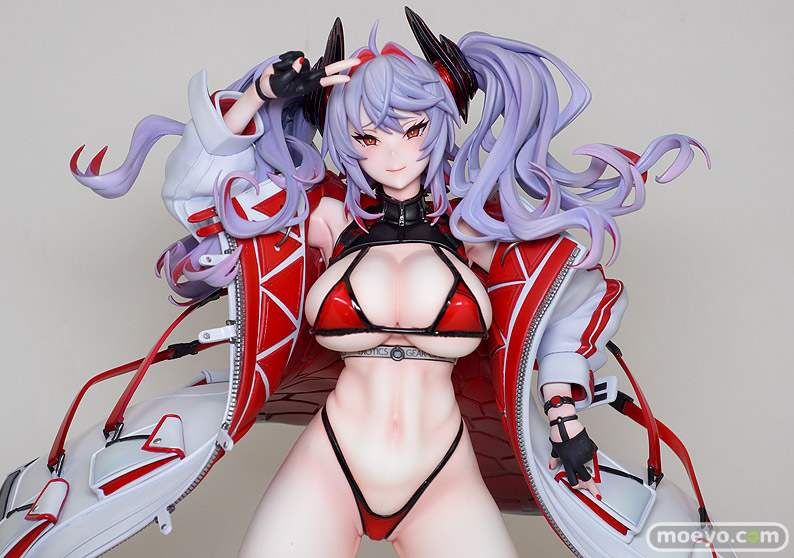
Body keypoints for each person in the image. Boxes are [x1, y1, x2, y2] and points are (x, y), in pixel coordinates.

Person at [71, 11, 705, 558]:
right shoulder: (329, 222)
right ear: (346, 143)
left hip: (445, 474)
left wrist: (562, 415)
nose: (394, 154)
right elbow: (203, 196)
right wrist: (257, 98)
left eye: (414, 130)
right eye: (368, 138)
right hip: (330, 464)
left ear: (441, 122)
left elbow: (564, 302)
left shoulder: (475, 231)